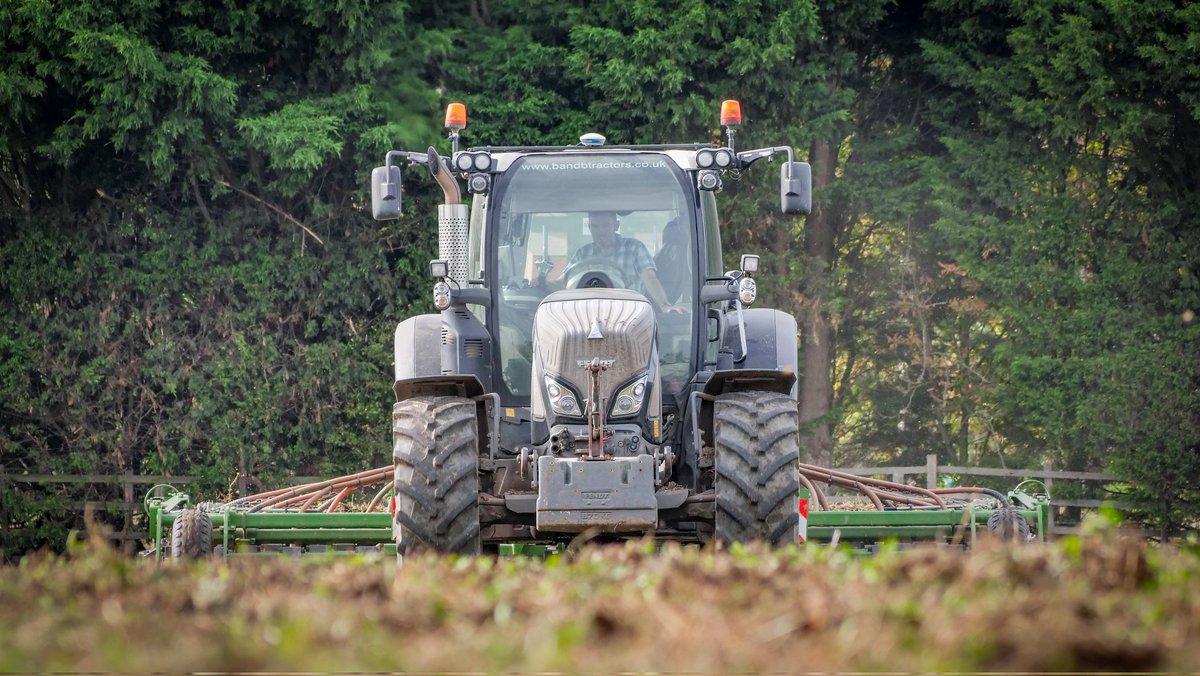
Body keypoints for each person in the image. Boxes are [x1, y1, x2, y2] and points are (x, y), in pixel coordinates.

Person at [566, 211, 686, 313]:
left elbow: (650, 278)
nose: (600, 231)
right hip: (590, 313)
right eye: (595, 226)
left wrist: (665, 306)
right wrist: (547, 283)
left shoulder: (635, 248)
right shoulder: (583, 253)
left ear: (616, 226)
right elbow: (564, 281)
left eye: (605, 225)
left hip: (630, 313)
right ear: (590, 227)